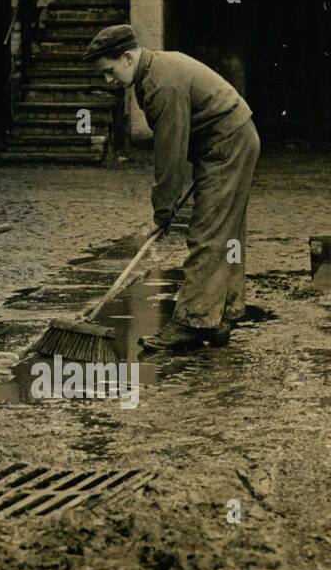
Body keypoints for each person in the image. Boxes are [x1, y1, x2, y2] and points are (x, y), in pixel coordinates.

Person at [82, 24, 261, 351]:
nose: (107, 81)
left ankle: (192, 322)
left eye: (109, 72)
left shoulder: (161, 83)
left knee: (207, 232)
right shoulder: (150, 71)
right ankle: (220, 316)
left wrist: (162, 212)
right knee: (226, 231)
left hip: (227, 143)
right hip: (233, 136)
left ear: (126, 57)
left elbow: (170, 153)